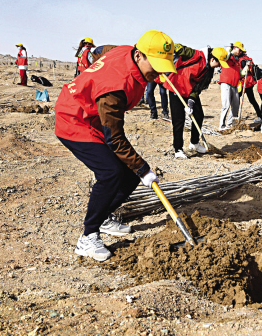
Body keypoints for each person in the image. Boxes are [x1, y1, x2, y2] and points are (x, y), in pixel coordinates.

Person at [54, 30, 176, 261]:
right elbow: (115, 139)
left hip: (92, 116)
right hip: (73, 118)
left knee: (128, 174)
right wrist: (143, 168)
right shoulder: (115, 89)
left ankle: (105, 216)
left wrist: (93, 62)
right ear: (139, 55)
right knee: (110, 173)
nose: (159, 71)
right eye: (156, 64)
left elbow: (103, 50)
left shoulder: (125, 51)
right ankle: (88, 237)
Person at [163, 44, 224, 159]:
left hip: (189, 90)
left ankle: (194, 143)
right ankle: (178, 149)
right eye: (219, 63)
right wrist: (166, 49)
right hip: (176, 86)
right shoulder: (195, 55)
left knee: (199, 115)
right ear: (212, 59)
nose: (219, 66)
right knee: (178, 120)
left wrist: (190, 101)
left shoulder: (208, 71)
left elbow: (198, 88)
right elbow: (178, 48)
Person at [219, 43, 249, 130]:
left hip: (235, 85)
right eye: (240, 50)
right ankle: (222, 125)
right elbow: (224, 57)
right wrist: (228, 49)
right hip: (226, 83)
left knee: (235, 105)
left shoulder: (236, 61)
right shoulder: (227, 56)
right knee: (226, 105)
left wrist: (246, 68)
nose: (240, 52)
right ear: (235, 48)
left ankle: (230, 123)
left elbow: (240, 74)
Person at [236, 42, 262, 123]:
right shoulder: (247, 58)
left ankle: (236, 117)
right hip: (249, 82)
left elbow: (245, 71)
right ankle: (259, 116)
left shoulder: (242, 60)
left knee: (237, 99)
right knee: (252, 100)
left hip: (245, 82)